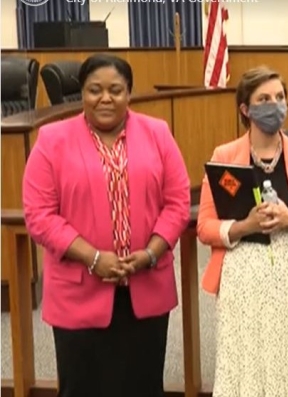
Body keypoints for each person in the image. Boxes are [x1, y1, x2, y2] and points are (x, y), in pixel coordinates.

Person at [22, 53, 191, 397]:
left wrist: (149, 253)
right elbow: (39, 215)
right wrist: (94, 258)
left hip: (146, 286)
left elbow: (177, 203)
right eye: (94, 90)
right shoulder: (52, 140)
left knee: (142, 386)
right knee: (83, 387)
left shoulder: (157, 133)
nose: (105, 98)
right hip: (78, 292)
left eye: (115, 89)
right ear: (81, 94)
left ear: (129, 93)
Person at [197, 66, 288, 397]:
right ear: (245, 109)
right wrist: (246, 226)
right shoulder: (224, 156)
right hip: (242, 278)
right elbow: (204, 227)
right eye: (264, 99)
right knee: (248, 365)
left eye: (280, 98)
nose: (274, 105)